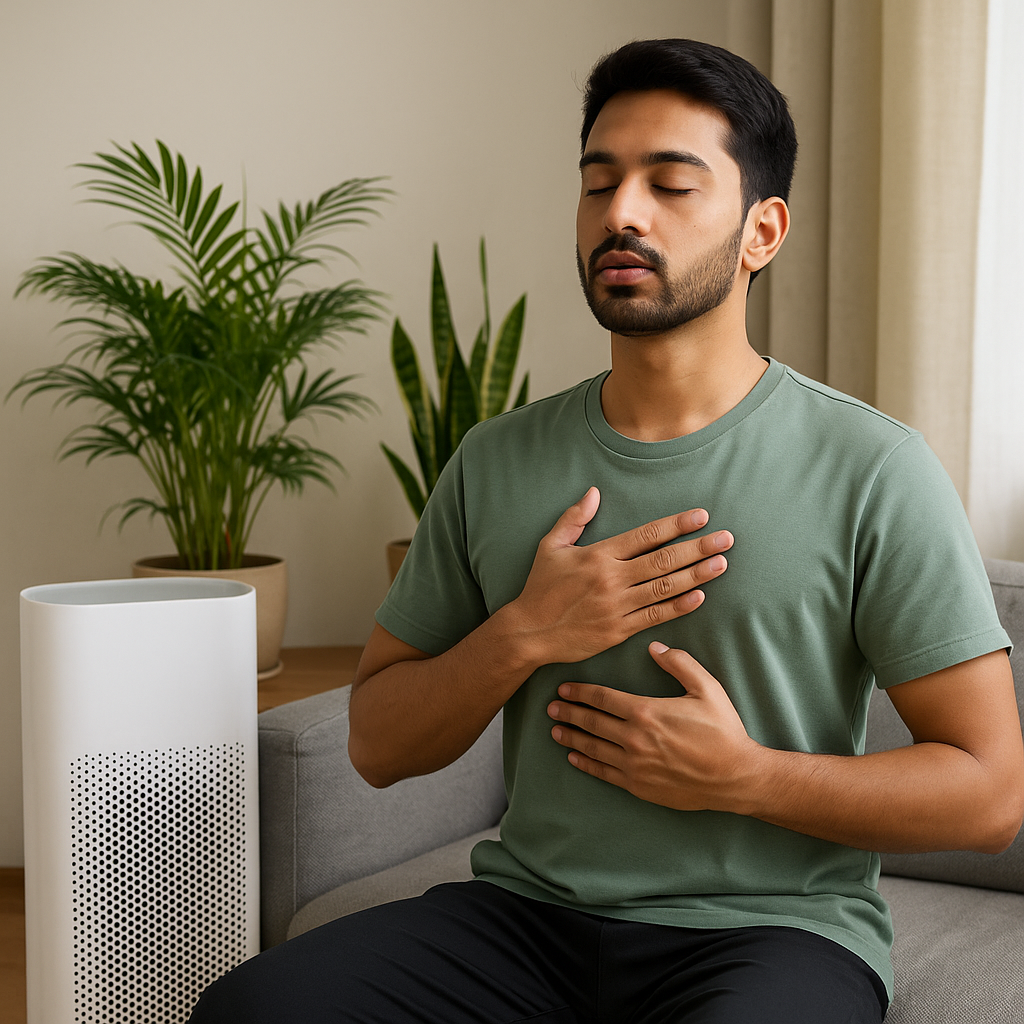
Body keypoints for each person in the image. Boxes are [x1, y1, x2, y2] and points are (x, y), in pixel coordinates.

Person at [190, 38, 1024, 1023]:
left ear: (762, 231)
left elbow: (987, 792)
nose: (620, 212)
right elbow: (375, 742)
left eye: (670, 184)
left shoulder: (873, 467)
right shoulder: (495, 460)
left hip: (771, 931)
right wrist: (524, 635)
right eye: (598, 184)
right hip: (523, 917)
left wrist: (744, 776)